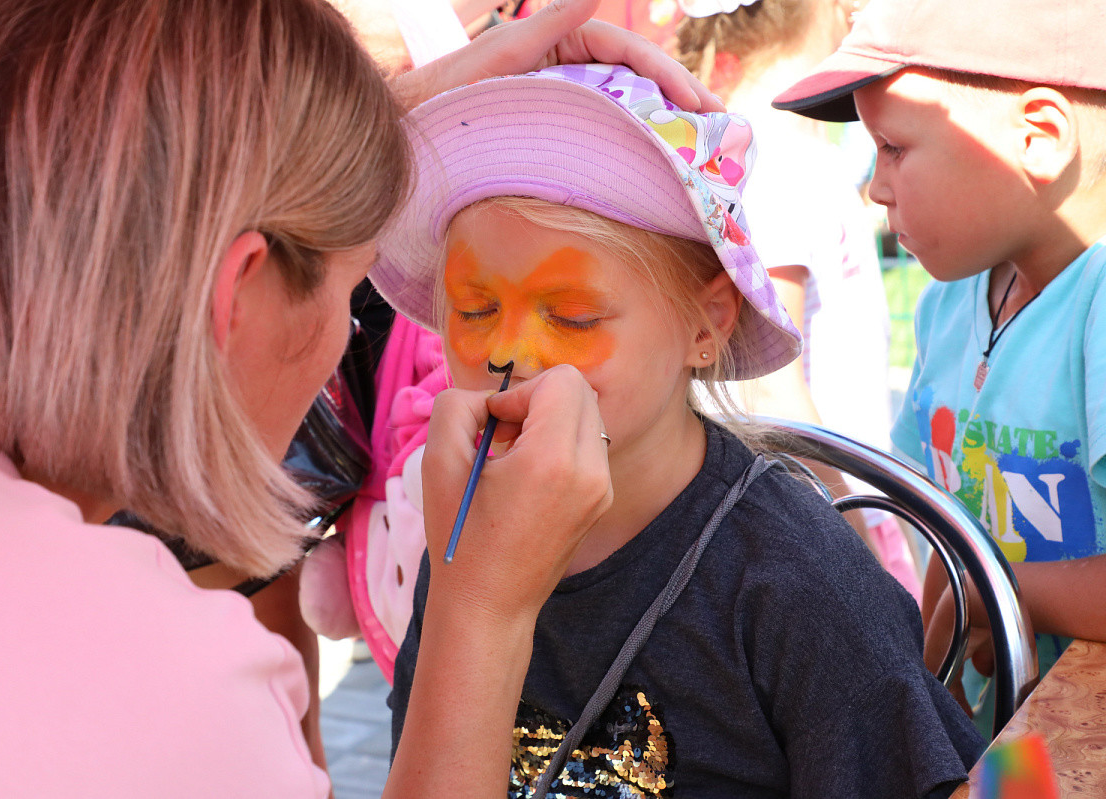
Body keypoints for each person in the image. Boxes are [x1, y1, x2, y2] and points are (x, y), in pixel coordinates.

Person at [0, 0, 720, 795]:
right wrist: (481, 616)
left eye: (573, 315)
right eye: (356, 284)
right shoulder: (174, 700)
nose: (507, 352)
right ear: (239, 294)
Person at [373, 62, 984, 796]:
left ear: (707, 322)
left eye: (572, 316)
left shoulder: (793, 580)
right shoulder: (464, 536)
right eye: (473, 310)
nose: (508, 351)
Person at [772, 0, 1106, 733]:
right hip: (1010, 738)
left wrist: (995, 593)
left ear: (1041, 138)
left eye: (893, 148)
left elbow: (975, 586)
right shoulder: (949, 304)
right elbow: (950, 514)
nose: (875, 187)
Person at [676, 0, 922, 602]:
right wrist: (855, 545)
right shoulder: (777, 156)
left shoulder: (761, 144)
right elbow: (766, 387)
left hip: (817, 506)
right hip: (826, 512)